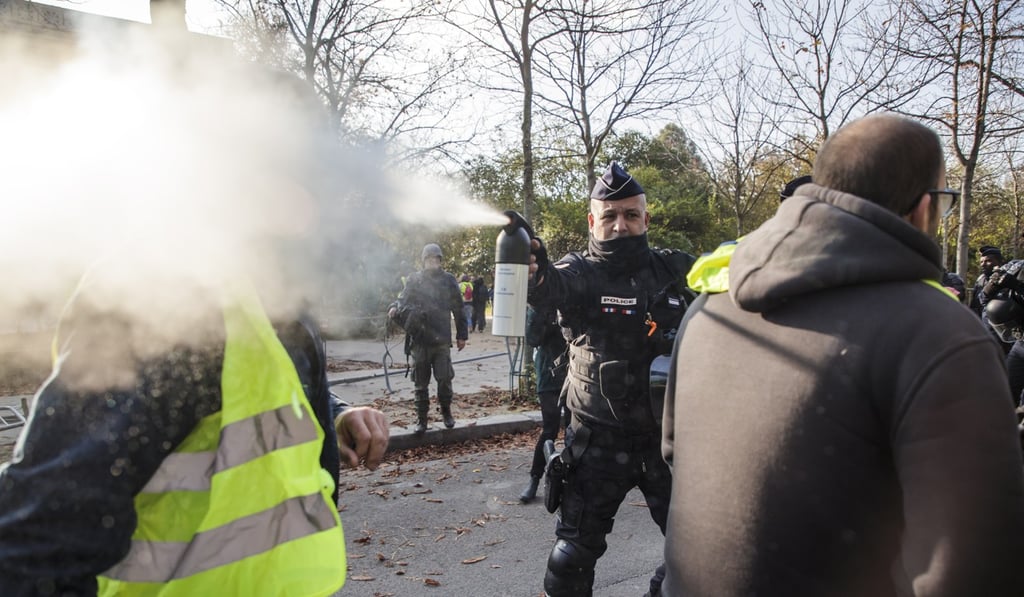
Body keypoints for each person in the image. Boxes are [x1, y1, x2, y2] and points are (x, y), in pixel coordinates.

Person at [661, 113, 1024, 596]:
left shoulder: (710, 304)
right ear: (924, 209)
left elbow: (674, 452)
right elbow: (973, 568)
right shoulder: (942, 333)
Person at [525, 161, 696, 597]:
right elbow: (551, 286)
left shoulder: (675, 270)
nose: (620, 225)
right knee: (572, 558)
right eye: (609, 216)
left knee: (699, 550)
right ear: (592, 221)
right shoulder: (579, 271)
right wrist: (534, 271)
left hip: (667, 442)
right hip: (595, 443)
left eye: (631, 215)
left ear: (645, 218)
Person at [389, 243, 468, 433]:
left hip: (441, 339)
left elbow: (458, 308)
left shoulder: (449, 280)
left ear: (440, 260)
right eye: (429, 259)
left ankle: (447, 413)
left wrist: (462, 335)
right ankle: (421, 420)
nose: (433, 262)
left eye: (436, 258)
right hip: (420, 340)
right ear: (423, 261)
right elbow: (403, 298)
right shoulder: (414, 280)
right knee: (420, 383)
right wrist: (394, 307)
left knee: (444, 379)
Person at [519, 304, 568, 503]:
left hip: (575, 373)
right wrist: (547, 318)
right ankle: (535, 479)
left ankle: (575, 481)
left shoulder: (573, 301)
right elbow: (532, 339)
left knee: (577, 429)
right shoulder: (539, 306)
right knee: (550, 428)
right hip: (548, 373)